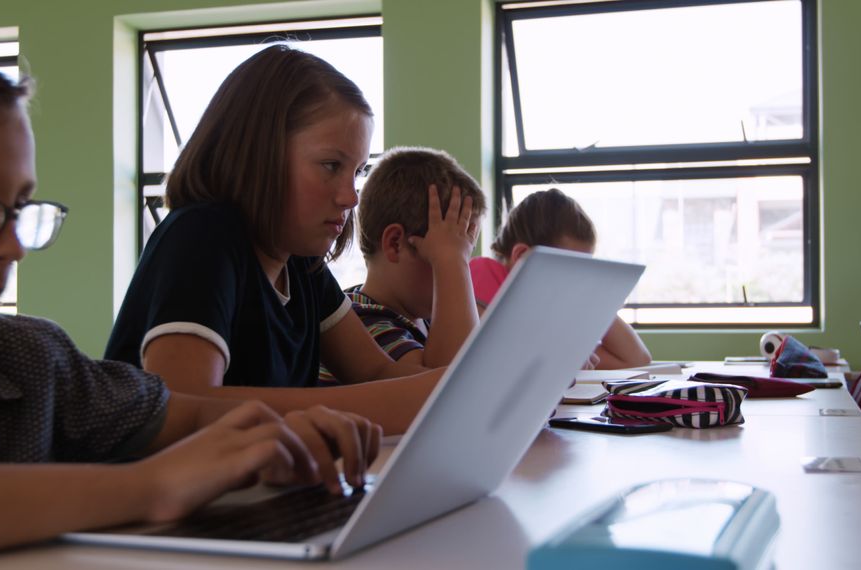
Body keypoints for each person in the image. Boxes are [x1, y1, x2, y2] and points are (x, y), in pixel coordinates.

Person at [0, 30, 380, 567]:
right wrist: (148, 486)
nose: (10, 247)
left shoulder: (31, 359)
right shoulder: (206, 233)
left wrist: (268, 438)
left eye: (17, 207)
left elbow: (181, 415)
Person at [105, 46, 444, 435]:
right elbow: (183, 405)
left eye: (357, 171)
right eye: (331, 166)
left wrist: (455, 383)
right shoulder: (202, 235)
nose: (351, 197)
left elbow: (378, 373)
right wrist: (406, 401)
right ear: (258, 154)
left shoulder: (300, 263)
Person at [318, 146, 483, 382]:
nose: (459, 273)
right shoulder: (365, 323)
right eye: (453, 256)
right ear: (395, 244)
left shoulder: (425, 321)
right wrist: (452, 261)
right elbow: (454, 389)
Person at [470, 188, 652, 369]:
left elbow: (636, 358)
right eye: (567, 269)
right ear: (521, 257)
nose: (575, 283)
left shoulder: (548, 309)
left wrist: (593, 301)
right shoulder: (481, 273)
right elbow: (484, 355)